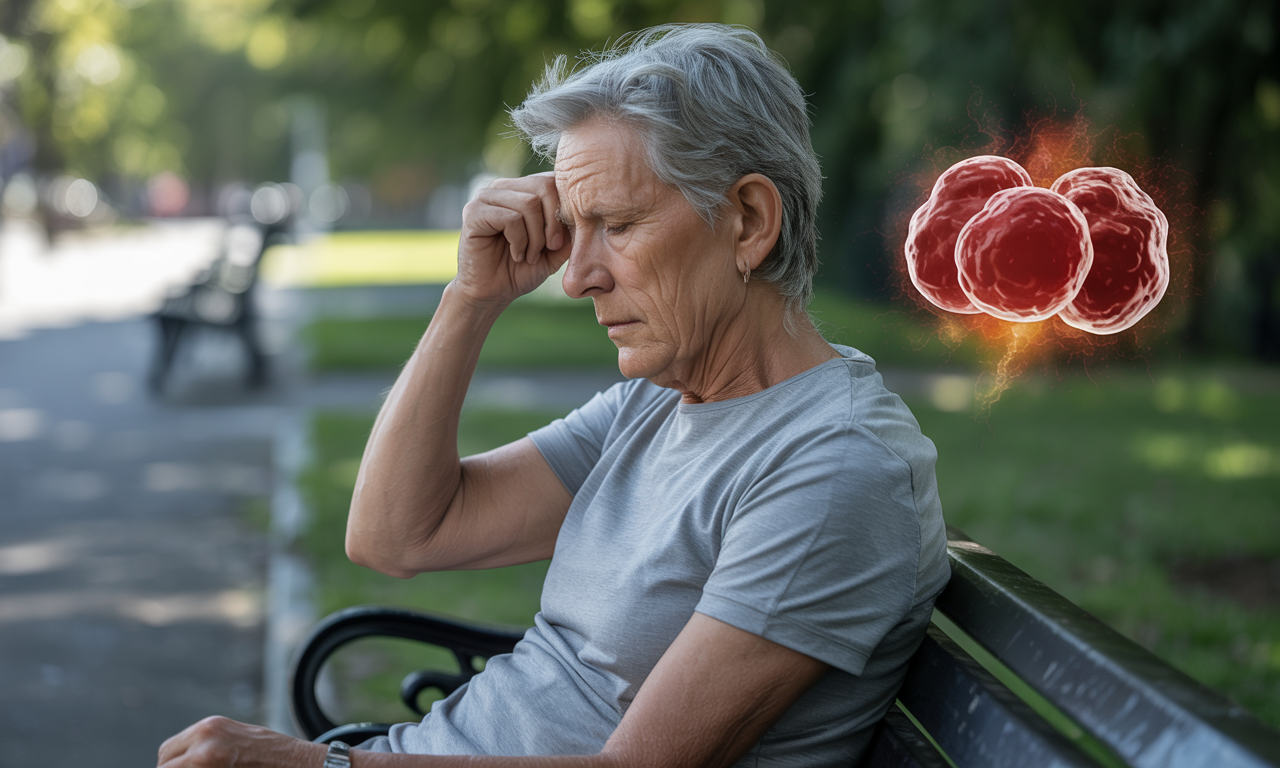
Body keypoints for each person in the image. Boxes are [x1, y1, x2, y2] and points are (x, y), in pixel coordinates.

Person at [158, 24, 949, 768]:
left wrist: (322, 762)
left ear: (747, 220)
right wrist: (470, 298)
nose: (576, 277)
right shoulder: (658, 401)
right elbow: (397, 536)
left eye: (618, 224)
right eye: (575, 229)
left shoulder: (835, 467)